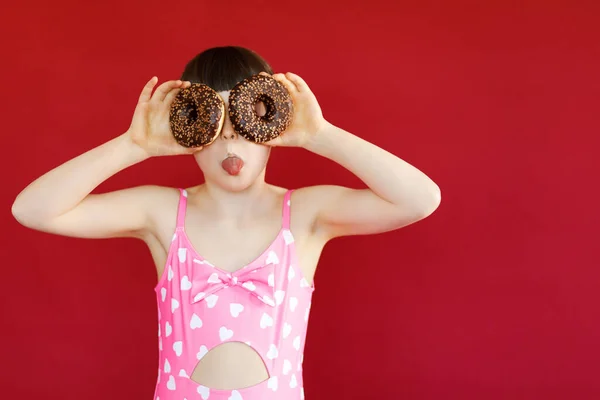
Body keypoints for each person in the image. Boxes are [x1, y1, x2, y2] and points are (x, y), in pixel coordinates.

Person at [11, 46, 441, 400]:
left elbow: (420, 200)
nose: (230, 139)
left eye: (246, 121)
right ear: (186, 133)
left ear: (275, 122)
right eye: (211, 126)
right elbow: (33, 209)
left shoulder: (306, 215)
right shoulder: (163, 215)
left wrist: (319, 135)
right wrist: (133, 146)